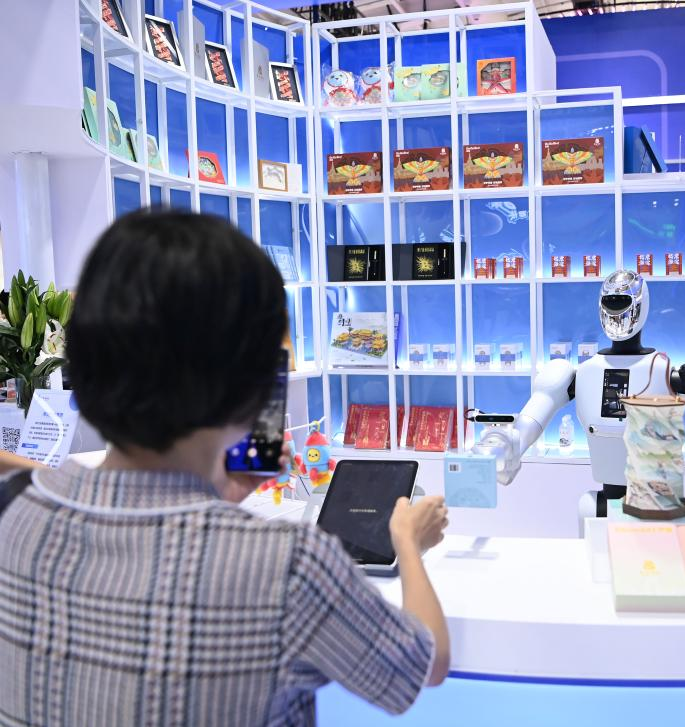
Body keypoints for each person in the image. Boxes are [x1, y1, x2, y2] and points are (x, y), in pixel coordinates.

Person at [0, 210, 450, 726]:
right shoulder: (288, 565)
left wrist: (221, 496)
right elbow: (424, 663)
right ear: (248, 380)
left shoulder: (17, 511)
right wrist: (407, 544)